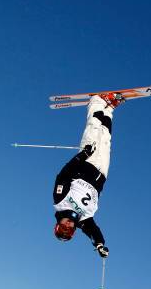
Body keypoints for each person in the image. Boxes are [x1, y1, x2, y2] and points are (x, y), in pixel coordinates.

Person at [52, 93, 124, 258]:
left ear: (58, 224)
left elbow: (64, 174)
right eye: (69, 230)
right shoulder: (84, 219)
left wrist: (82, 155)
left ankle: (97, 101)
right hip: (101, 172)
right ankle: (109, 109)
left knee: (93, 129)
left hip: (87, 163)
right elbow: (93, 231)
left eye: (64, 227)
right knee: (105, 138)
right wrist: (100, 245)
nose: (69, 225)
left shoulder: (60, 201)